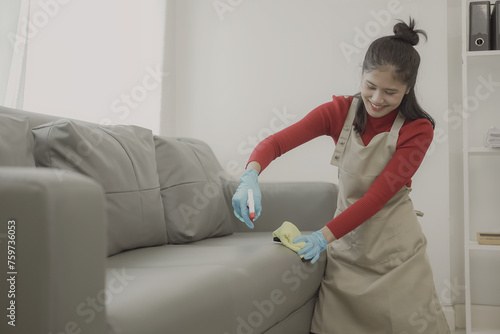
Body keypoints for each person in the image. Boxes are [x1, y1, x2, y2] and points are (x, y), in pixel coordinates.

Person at [231, 18, 451, 333]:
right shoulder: (338, 112)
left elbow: (377, 197)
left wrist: (323, 236)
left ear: (407, 89)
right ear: (361, 75)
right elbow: (276, 142)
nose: (376, 100)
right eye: (370, 86)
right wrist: (250, 176)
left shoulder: (418, 130)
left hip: (395, 254)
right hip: (347, 247)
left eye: (390, 92)